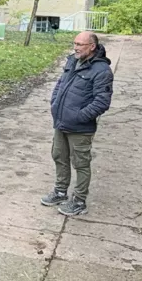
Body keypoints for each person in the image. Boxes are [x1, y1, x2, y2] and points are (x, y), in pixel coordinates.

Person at [44, 31, 113, 217]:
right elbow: (60, 84)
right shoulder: (72, 61)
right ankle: (60, 192)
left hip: (80, 127)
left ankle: (79, 201)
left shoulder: (102, 71)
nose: (75, 47)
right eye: (75, 43)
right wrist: (55, 103)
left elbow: (102, 102)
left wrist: (80, 116)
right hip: (61, 121)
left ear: (92, 46)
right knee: (59, 156)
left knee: (81, 163)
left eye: (80, 44)